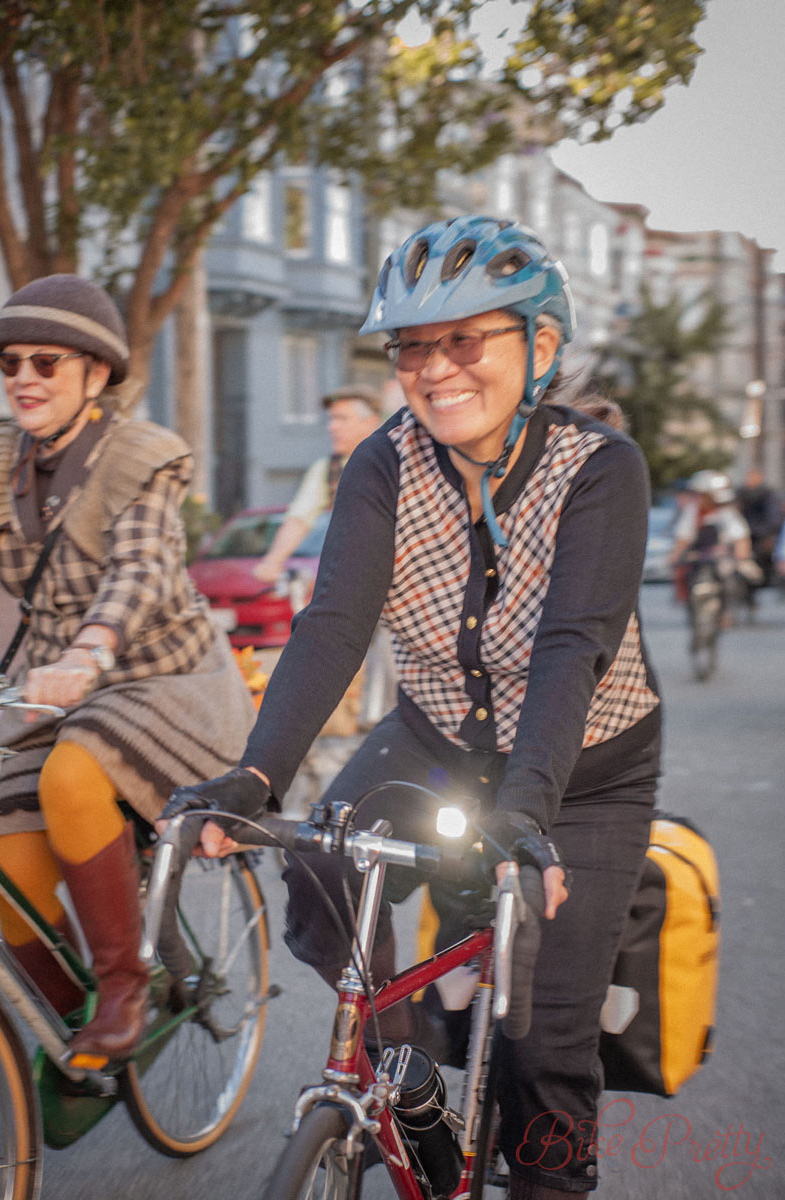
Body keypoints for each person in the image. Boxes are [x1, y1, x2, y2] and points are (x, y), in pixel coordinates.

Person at [162, 216, 662, 1198]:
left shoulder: (599, 469)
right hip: (431, 740)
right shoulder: (382, 464)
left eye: (463, 339)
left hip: (584, 777)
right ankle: (407, 1065)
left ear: (540, 346)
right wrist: (254, 775)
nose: (433, 369)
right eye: (410, 347)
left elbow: (571, 649)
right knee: (313, 867)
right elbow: (335, 621)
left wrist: (525, 812)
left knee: (542, 1051)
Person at [0, 274, 255, 1065]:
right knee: (7, 856)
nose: (23, 379)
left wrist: (88, 651)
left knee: (72, 776)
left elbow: (136, 572)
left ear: (95, 374)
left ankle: (123, 986)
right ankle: (71, 1019)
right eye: (11, 363)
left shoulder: (142, 456)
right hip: (53, 690)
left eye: (47, 364)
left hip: (162, 679)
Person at [252, 384, 383, 583]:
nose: (332, 426)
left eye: (342, 419)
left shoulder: (393, 459)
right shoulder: (327, 469)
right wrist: (273, 561)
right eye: (331, 419)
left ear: (370, 423)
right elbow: (299, 518)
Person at [670, 470, 760, 613]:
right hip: (699, 556)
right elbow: (683, 537)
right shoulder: (693, 511)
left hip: (722, 556)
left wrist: (741, 556)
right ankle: (689, 605)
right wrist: (676, 556)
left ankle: (728, 611)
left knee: (732, 578)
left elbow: (740, 536)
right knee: (683, 575)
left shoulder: (726, 512)